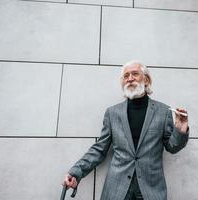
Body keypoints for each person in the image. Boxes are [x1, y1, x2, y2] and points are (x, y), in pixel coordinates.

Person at [62, 60, 189, 200]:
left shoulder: (163, 112)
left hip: (150, 189)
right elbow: (99, 149)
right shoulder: (112, 113)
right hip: (117, 188)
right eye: (126, 75)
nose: (130, 78)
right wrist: (75, 172)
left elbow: (172, 147)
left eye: (135, 74)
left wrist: (180, 130)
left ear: (146, 80)